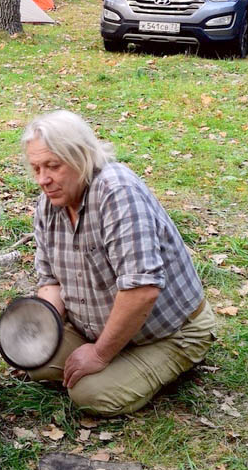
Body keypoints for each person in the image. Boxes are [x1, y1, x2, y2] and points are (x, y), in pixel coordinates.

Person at [22, 110, 215, 417]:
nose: (43, 179)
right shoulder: (49, 204)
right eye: (36, 168)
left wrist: (99, 354)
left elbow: (142, 290)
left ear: (81, 156)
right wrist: (43, 325)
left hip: (170, 330)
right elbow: (50, 281)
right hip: (96, 327)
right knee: (34, 357)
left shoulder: (117, 192)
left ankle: (162, 361)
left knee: (89, 394)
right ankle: (114, 359)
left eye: (53, 167)